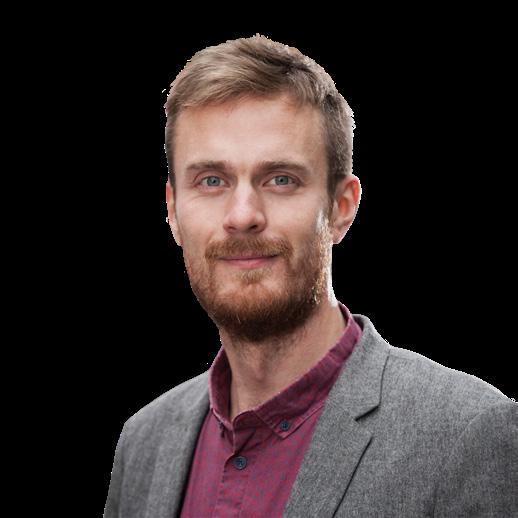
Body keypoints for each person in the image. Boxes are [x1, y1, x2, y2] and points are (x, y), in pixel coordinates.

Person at [104, 34, 517, 517]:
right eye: (211, 180)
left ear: (341, 207)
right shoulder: (144, 443)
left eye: (281, 179)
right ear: (173, 211)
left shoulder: (467, 433)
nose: (243, 215)